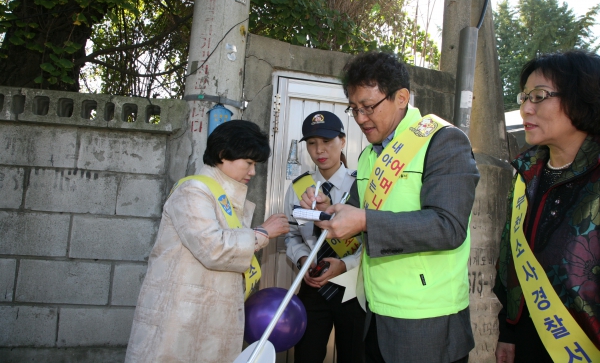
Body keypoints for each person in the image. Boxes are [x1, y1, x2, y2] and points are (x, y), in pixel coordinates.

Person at [300, 52, 480, 363]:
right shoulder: (370, 155)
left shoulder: (443, 141)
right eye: (354, 109)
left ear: (401, 98)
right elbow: (355, 215)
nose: (360, 118)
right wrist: (328, 211)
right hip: (376, 310)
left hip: (427, 317)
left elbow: (447, 226)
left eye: (368, 107)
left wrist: (366, 220)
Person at [124, 120, 290, 363]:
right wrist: (262, 233)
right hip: (181, 319)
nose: (253, 172)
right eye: (249, 163)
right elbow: (213, 247)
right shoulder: (193, 190)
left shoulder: (219, 194)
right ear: (223, 155)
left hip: (203, 318)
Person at [493, 50, 600, 363]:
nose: (525, 108)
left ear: (582, 98)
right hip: (528, 341)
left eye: (539, 96)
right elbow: (509, 257)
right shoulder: (527, 174)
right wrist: (508, 331)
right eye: (524, 96)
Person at [284, 110, 365, 362]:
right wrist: (303, 261)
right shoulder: (299, 188)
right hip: (313, 288)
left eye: (327, 142)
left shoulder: (360, 186)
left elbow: (375, 240)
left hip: (353, 288)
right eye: (311, 143)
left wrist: (344, 264)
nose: (319, 150)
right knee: (306, 355)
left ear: (342, 141)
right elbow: (292, 235)